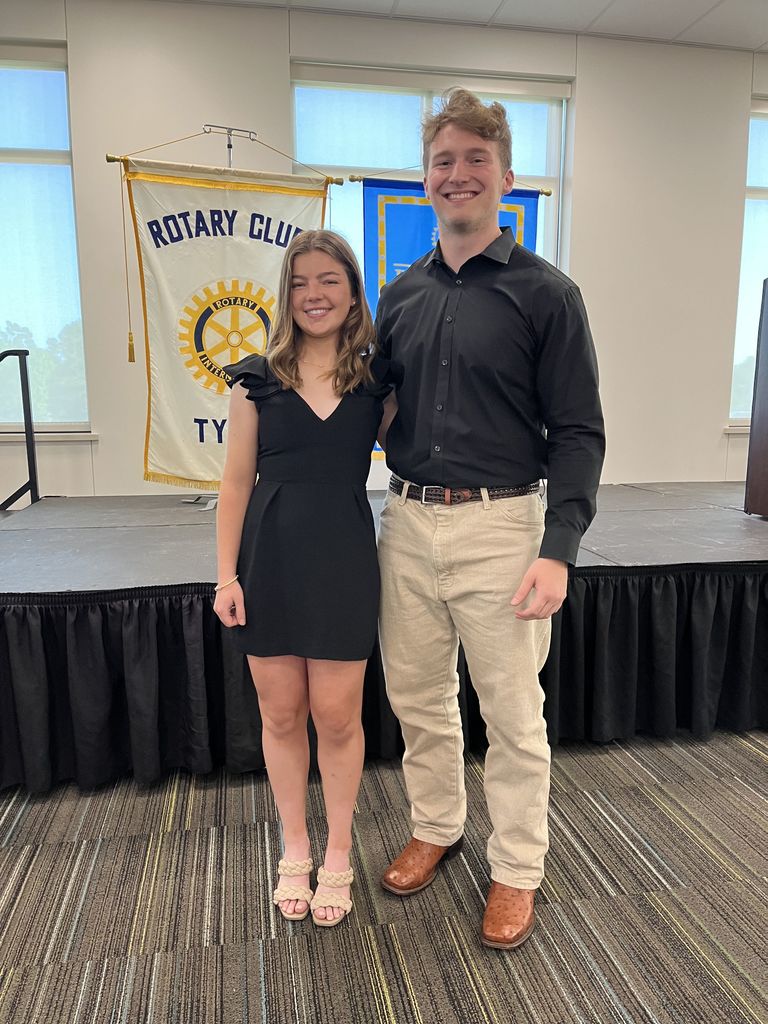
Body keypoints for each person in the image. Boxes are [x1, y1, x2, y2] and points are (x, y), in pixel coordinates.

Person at [375, 88, 605, 949]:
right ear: (424, 180)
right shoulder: (399, 295)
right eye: (444, 160)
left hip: (504, 529)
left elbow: (580, 430)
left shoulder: (549, 296)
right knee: (418, 698)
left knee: (511, 712)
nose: (458, 173)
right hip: (405, 524)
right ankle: (436, 825)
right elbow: (373, 407)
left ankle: (517, 871)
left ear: (506, 176)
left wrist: (560, 549)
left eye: (477, 159)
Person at [214, 229, 396, 928]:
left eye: (328, 280)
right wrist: (225, 575)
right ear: (285, 295)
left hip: (345, 558)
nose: (313, 294)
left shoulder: (379, 382)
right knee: (282, 714)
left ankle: (340, 851)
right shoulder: (255, 378)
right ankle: (295, 848)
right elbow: (234, 486)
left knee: (338, 716)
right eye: (300, 282)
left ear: (353, 292)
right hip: (270, 560)